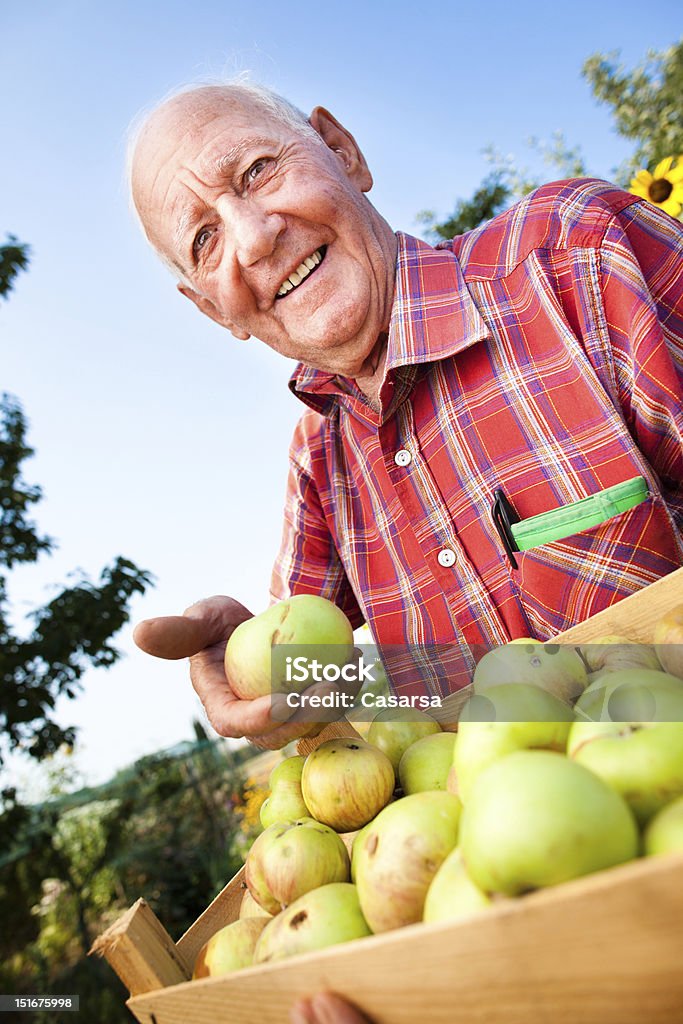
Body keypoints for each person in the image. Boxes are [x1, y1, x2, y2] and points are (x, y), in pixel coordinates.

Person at [128, 82, 682, 1024]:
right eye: (206, 239)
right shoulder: (317, 471)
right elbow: (381, 716)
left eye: (258, 171)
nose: (254, 239)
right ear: (208, 307)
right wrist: (268, 673)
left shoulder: (581, 255)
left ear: (342, 151)